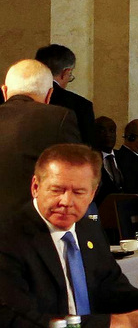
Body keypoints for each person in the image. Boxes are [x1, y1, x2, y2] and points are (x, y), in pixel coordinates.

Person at [0, 144, 138, 328]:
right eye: (57, 190)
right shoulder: (9, 237)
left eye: (79, 192)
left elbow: (111, 287)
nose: (66, 201)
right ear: (35, 187)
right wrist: (122, 323)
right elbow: (18, 326)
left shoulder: (88, 228)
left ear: (92, 194)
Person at [0, 59, 81, 213]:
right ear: (49, 95)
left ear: (4, 91)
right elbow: (77, 173)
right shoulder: (60, 118)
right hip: (35, 225)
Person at [36, 45, 94, 142]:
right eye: (70, 75)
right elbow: (87, 149)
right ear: (65, 72)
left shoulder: (9, 97)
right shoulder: (80, 106)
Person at [91, 116, 135, 204]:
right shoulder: (89, 160)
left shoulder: (126, 158)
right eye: (102, 131)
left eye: (111, 131)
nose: (108, 135)